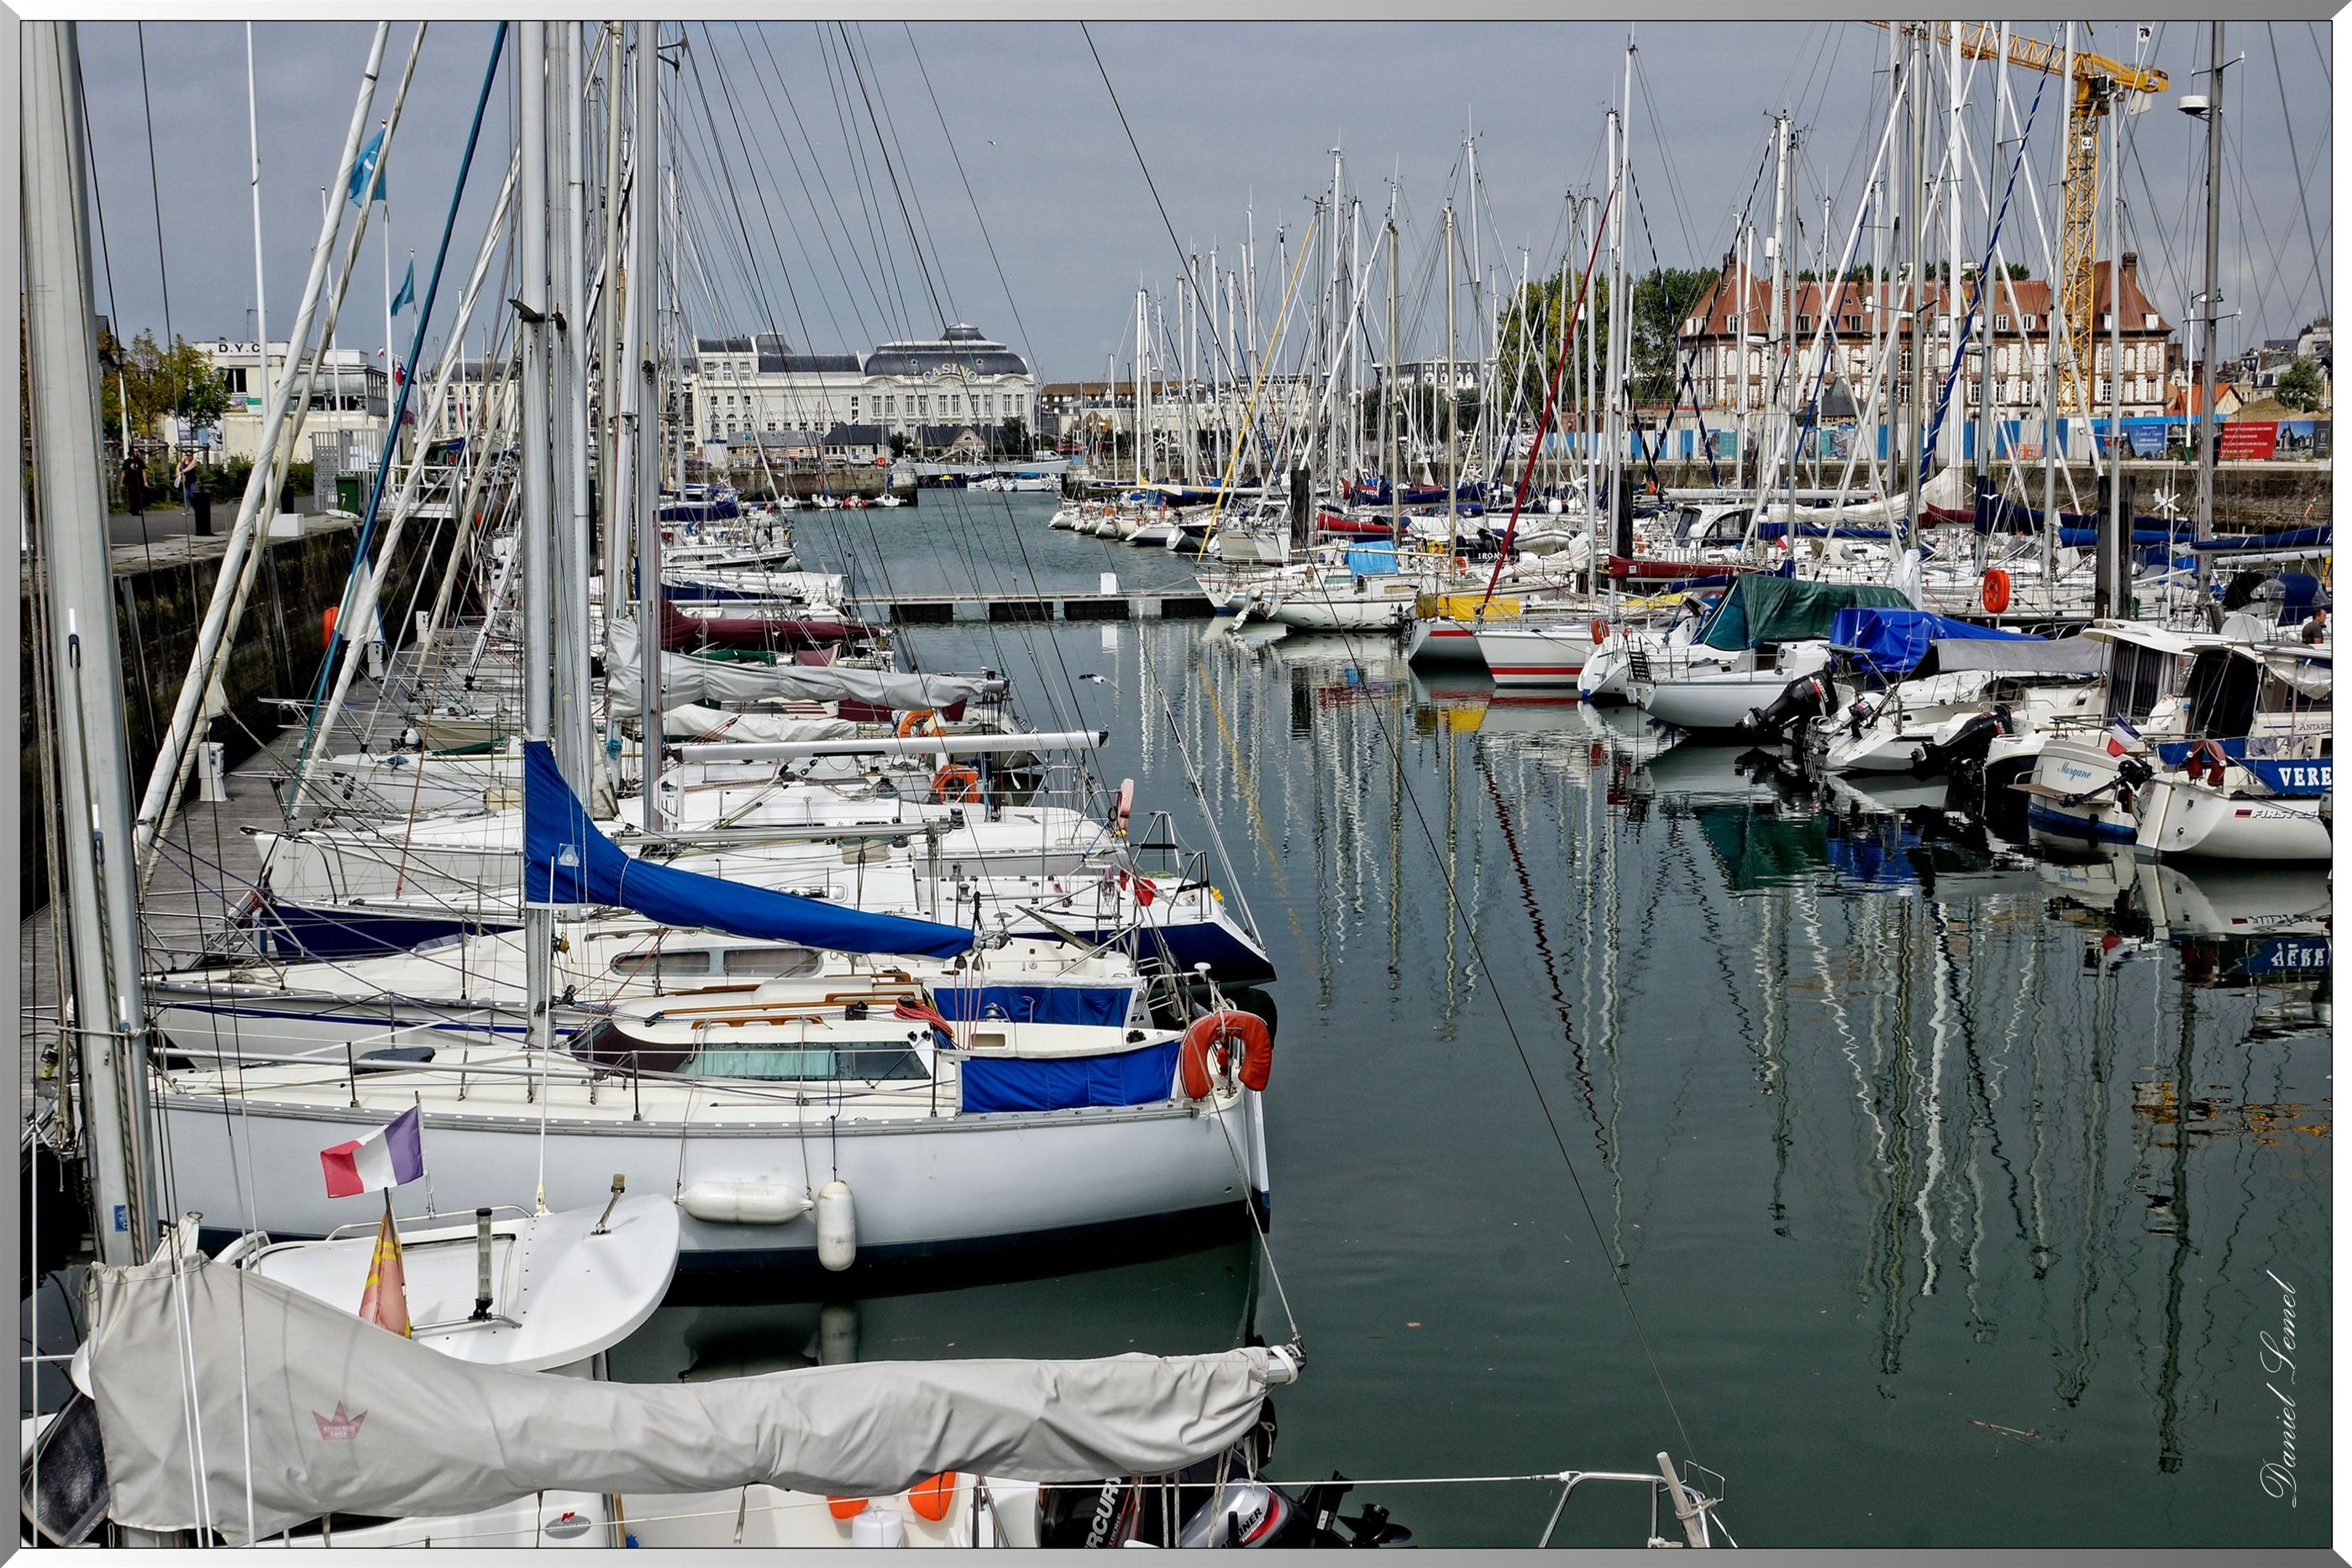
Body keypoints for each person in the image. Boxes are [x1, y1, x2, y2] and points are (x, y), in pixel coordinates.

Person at [120, 450, 144, 517]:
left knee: (138, 496)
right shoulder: (127, 462)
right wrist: (121, 482)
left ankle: (137, 510)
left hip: (139, 481)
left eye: (137, 452)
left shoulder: (140, 461)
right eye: (135, 452)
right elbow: (123, 472)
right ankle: (132, 509)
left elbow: (143, 471)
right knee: (131, 495)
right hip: (130, 481)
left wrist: (145, 482)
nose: (137, 453)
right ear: (131, 452)